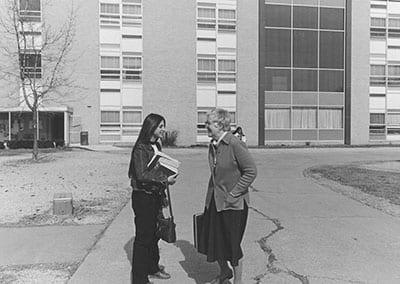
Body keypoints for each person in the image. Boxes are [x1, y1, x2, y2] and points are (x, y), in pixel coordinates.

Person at [198, 108, 257, 284]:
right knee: (214, 241)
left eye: (209, 122)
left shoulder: (234, 144)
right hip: (215, 201)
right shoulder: (214, 145)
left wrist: (234, 194)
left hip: (234, 204)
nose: (205, 125)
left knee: (232, 246)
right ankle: (224, 272)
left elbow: (251, 171)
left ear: (220, 124)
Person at [128, 113, 178, 284]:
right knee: (143, 238)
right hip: (143, 197)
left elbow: (156, 168)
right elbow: (142, 174)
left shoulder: (156, 145)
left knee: (155, 234)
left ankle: (153, 268)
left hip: (156, 195)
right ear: (151, 127)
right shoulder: (141, 148)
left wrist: (167, 178)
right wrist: (165, 179)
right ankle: (139, 279)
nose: (163, 130)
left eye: (163, 126)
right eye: (160, 126)